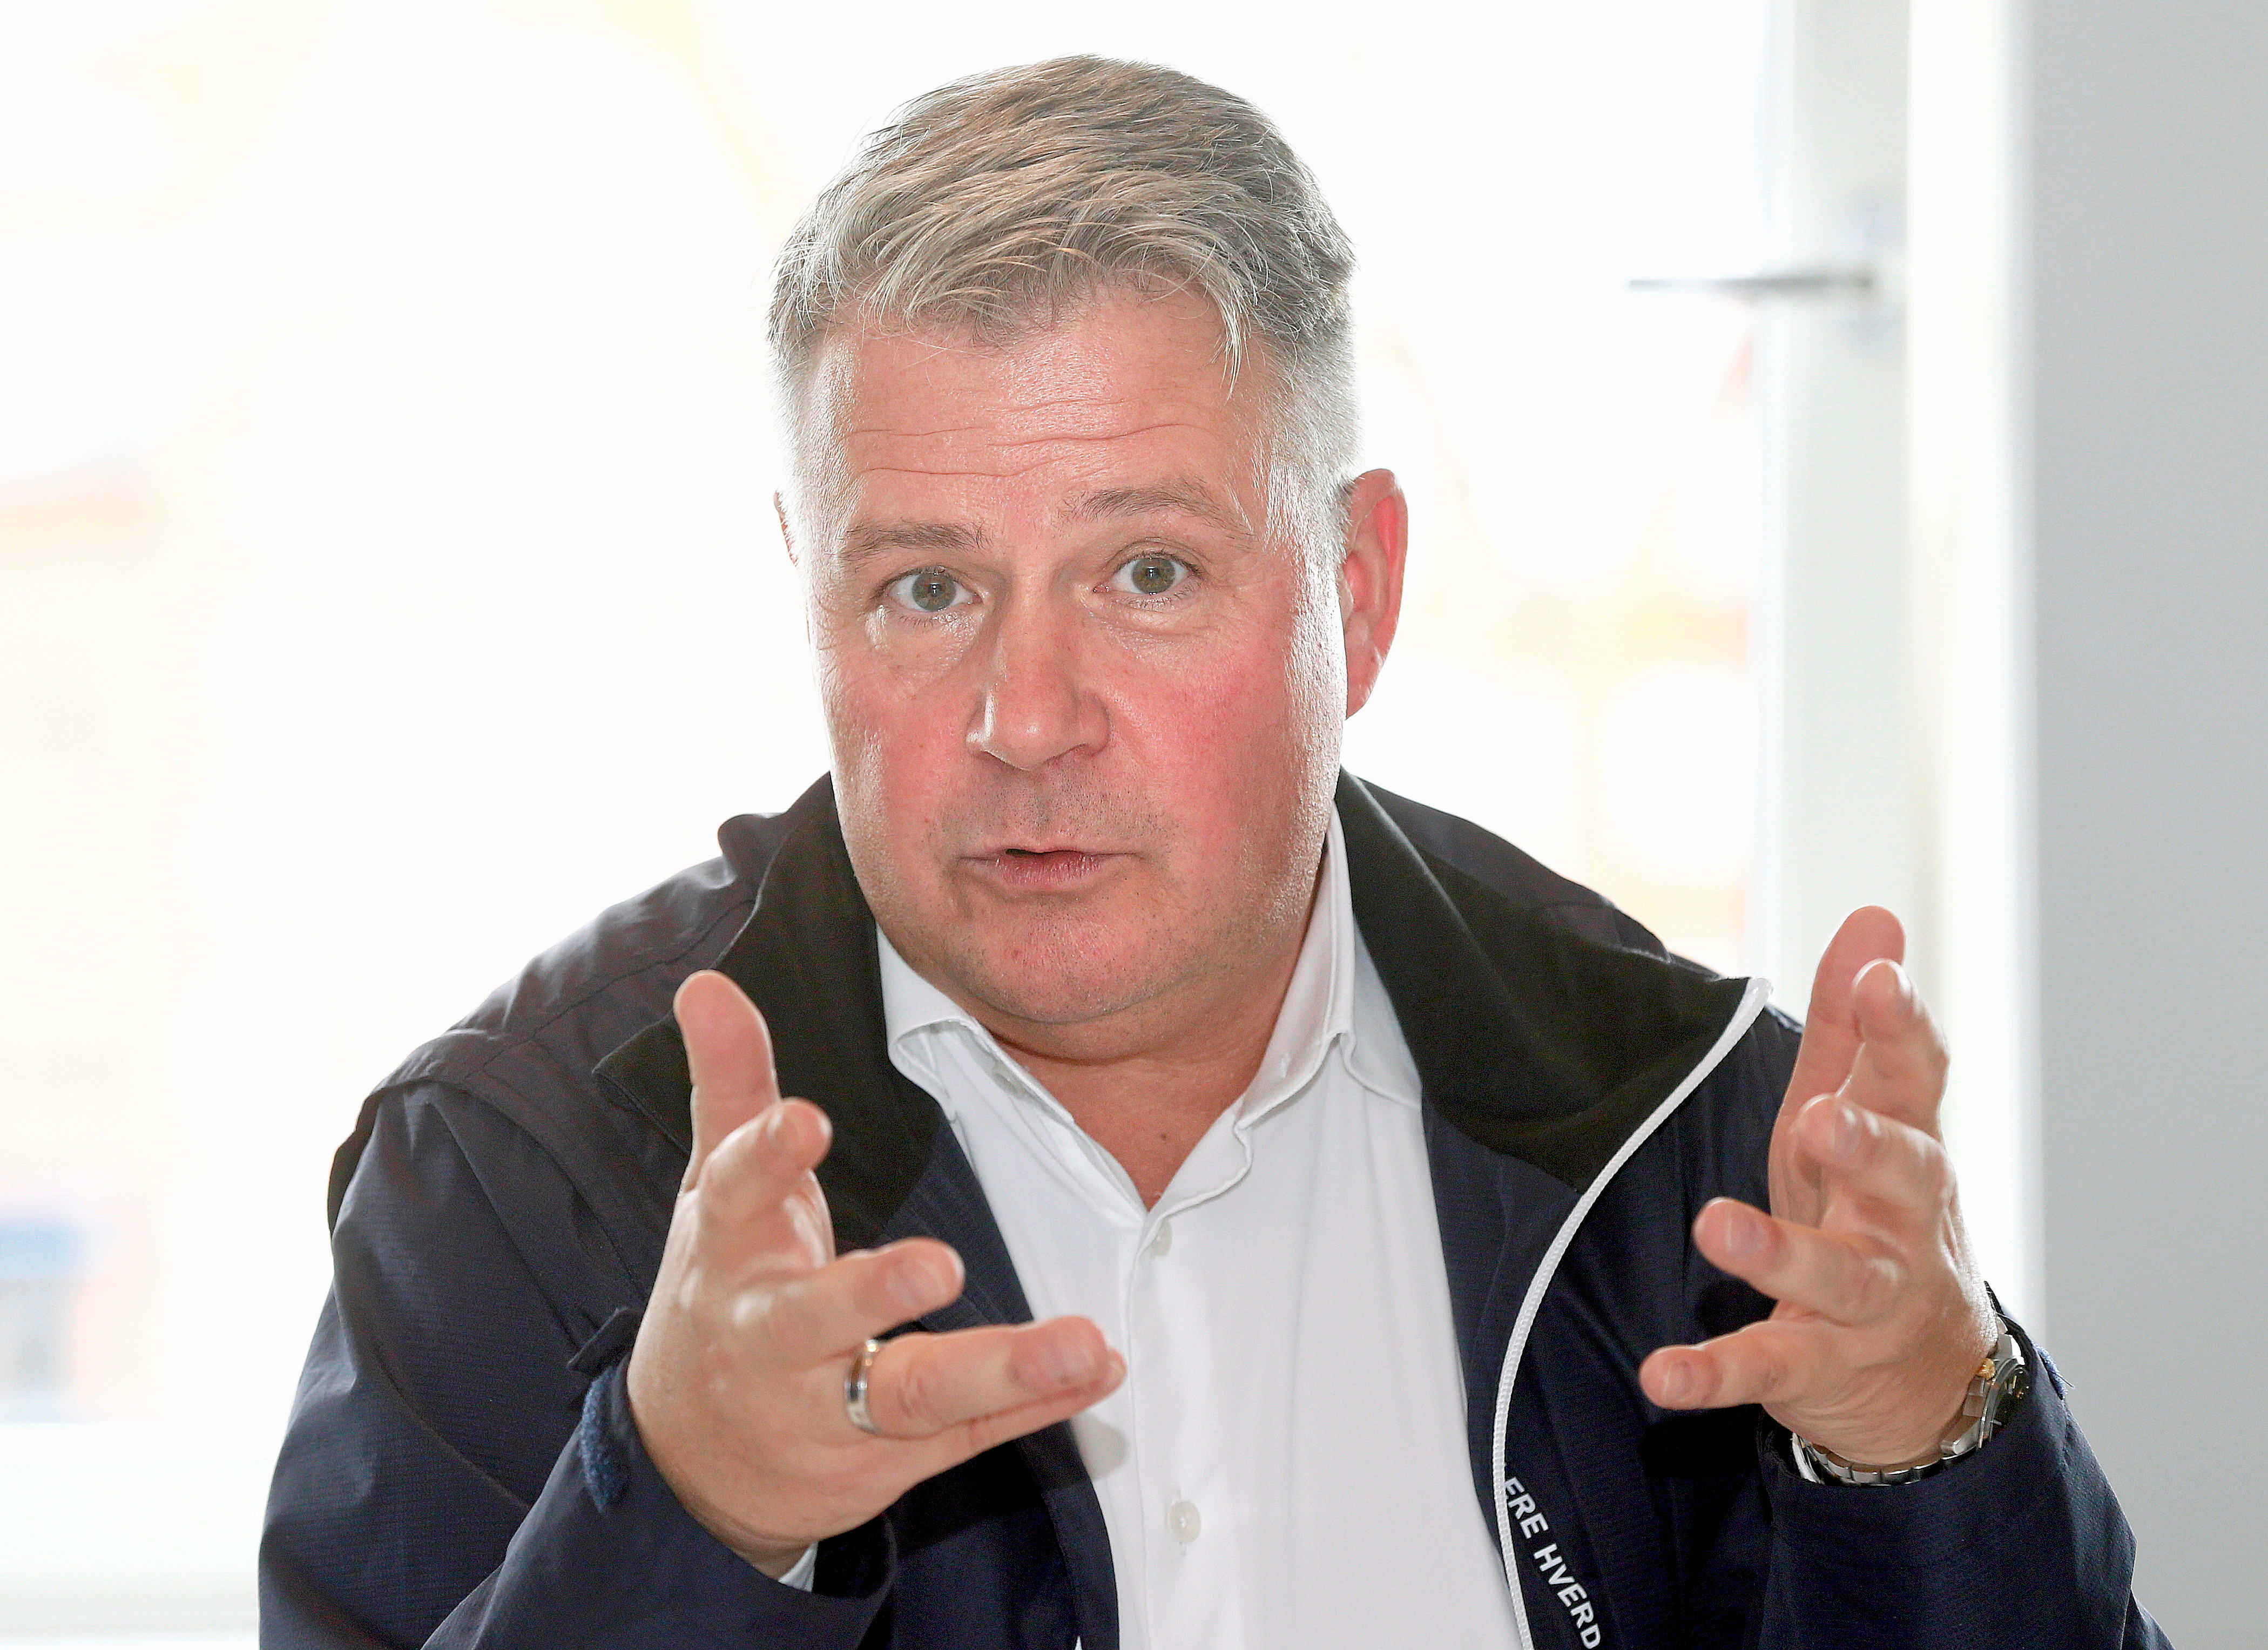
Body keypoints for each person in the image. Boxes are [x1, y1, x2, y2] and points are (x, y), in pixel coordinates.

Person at [259, 55, 2162, 1649]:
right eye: (927, 589)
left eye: (1149, 572)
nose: (1028, 716)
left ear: (1360, 591)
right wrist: (685, 1518)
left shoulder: (1692, 1145)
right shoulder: (521, 1179)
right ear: (810, 600)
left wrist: (1934, 1449)